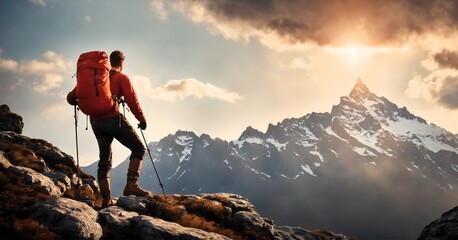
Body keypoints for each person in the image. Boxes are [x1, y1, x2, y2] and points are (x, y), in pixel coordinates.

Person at [67, 50, 152, 208]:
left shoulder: (98, 78)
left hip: (96, 123)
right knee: (139, 148)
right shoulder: (121, 77)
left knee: (104, 159)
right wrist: (142, 119)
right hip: (112, 119)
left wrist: (85, 103)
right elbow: (132, 100)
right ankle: (131, 185)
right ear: (121, 63)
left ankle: (106, 199)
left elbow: (70, 98)